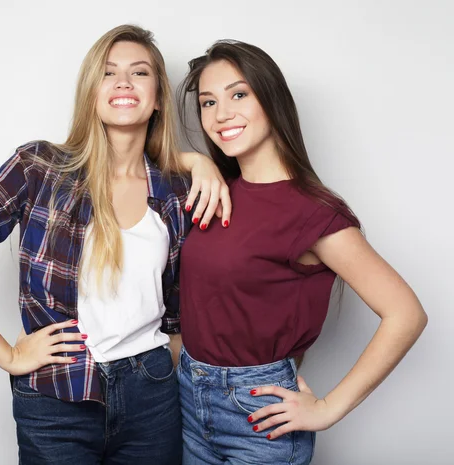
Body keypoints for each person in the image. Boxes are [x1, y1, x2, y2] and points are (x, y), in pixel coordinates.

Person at [0, 25, 228, 465]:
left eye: (139, 72)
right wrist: (7, 354)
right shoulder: (39, 168)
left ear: (157, 97)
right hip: (55, 399)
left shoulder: (177, 190)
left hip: (152, 396)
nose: (122, 82)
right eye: (108, 72)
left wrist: (199, 163)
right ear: (90, 93)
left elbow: (180, 306)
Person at [176, 39, 428, 465]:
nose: (221, 115)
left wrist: (329, 408)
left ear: (271, 100)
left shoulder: (313, 211)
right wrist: (193, 162)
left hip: (257, 415)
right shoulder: (214, 190)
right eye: (207, 102)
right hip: (188, 399)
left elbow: (406, 313)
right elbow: (121, 160)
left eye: (239, 95)